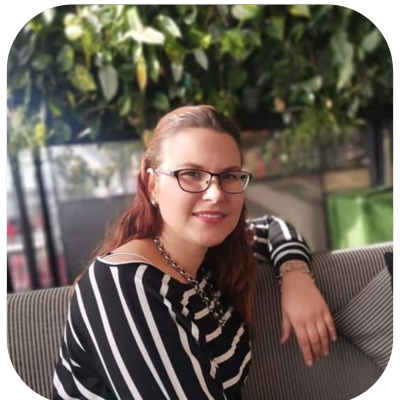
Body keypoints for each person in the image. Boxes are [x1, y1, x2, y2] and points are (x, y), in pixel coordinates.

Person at [53, 105, 336, 400]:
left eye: (229, 176)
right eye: (191, 174)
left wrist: (295, 275)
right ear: (152, 185)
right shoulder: (122, 285)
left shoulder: (210, 254)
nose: (215, 194)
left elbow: (271, 228)